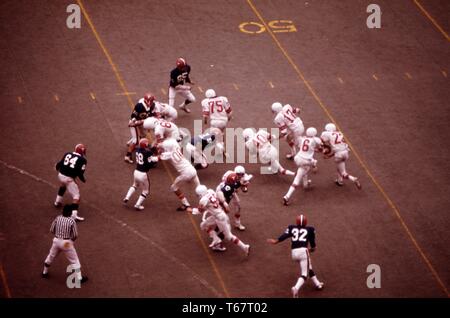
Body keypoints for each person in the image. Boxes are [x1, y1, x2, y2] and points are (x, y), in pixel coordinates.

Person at [267, 214, 324, 298]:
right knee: (304, 275)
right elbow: (313, 244)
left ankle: (317, 283)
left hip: (294, 253)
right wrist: (312, 248)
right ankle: (296, 288)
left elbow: (285, 235)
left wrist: (276, 241)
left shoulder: (291, 227)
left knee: (309, 266)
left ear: (296, 222)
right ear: (306, 222)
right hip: (303, 252)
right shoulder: (310, 229)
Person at [195, 185, 250, 255]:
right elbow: (215, 200)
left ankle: (244, 247)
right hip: (219, 214)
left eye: (198, 195)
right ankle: (217, 240)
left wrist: (190, 210)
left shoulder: (203, 200)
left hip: (219, 218)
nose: (198, 196)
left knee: (229, 236)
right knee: (203, 225)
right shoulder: (210, 191)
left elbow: (199, 211)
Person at [42, 205, 88, 284]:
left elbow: (52, 230)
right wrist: (71, 241)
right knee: (74, 260)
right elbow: (75, 235)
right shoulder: (71, 221)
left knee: (51, 256)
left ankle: (44, 272)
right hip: (66, 243)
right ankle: (79, 278)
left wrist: (58, 236)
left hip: (56, 241)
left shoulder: (58, 218)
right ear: (70, 212)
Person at [155, 138, 200, 211]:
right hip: (193, 170)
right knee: (199, 188)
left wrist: (149, 158)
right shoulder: (176, 148)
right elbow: (172, 143)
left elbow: (156, 159)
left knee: (174, 187)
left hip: (186, 174)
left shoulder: (168, 154)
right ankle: (208, 201)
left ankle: (186, 204)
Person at [283, 127, 322, 206]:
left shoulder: (303, 139)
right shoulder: (316, 140)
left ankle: (306, 184)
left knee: (304, 169)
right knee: (297, 179)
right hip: (306, 160)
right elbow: (320, 148)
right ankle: (287, 196)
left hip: (297, 158)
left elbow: (305, 147)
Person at [320, 123, 361, 189]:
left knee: (343, 173)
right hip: (346, 152)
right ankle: (340, 181)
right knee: (339, 167)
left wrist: (325, 151)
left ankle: (353, 179)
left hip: (339, 154)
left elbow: (321, 141)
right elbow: (338, 147)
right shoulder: (340, 133)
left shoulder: (327, 134)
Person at [54, 144, 87, 221]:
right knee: (76, 196)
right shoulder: (83, 160)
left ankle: (57, 201)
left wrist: (57, 168)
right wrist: (83, 180)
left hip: (60, 175)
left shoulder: (67, 154)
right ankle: (74, 215)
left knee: (63, 185)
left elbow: (60, 164)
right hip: (69, 179)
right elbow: (80, 173)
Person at [123, 138, 158, 210]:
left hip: (136, 172)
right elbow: (151, 160)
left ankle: (127, 197)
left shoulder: (138, 150)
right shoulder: (148, 153)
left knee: (134, 185)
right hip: (143, 174)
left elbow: (146, 153)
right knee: (146, 191)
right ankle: (137, 205)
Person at [216, 166, 253, 231]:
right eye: (239, 174)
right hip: (224, 191)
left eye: (242, 174)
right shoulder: (229, 176)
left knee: (238, 206)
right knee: (223, 209)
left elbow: (244, 190)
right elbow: (228, 188)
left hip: (232, 191)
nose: (240, 176)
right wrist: (238, 186)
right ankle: (218, 224)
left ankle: (237, 224)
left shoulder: (244, 177)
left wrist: (244, 186)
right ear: (235, 173)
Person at [125, 93, 158, 163]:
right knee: (136, 141)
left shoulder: (152, 106)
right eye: (151, 101)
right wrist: (133, 121)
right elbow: (133, 115)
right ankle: (127, 156)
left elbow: (150, 115)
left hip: (142, 122)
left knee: (143, 136)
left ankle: (132, 143)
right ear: (147, 101)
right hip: (135, 123)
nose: (152, 102)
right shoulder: (140, 105)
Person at [201, 89, 232, 157]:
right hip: (223, 121)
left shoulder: (206, 101)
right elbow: (229, 112)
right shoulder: (223, 99)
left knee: (211, 136)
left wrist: (205, 122)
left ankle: (220, 147)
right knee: (221, 135)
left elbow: (205, 115)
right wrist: (228, 119)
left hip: (214, 122)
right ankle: (224, 152)